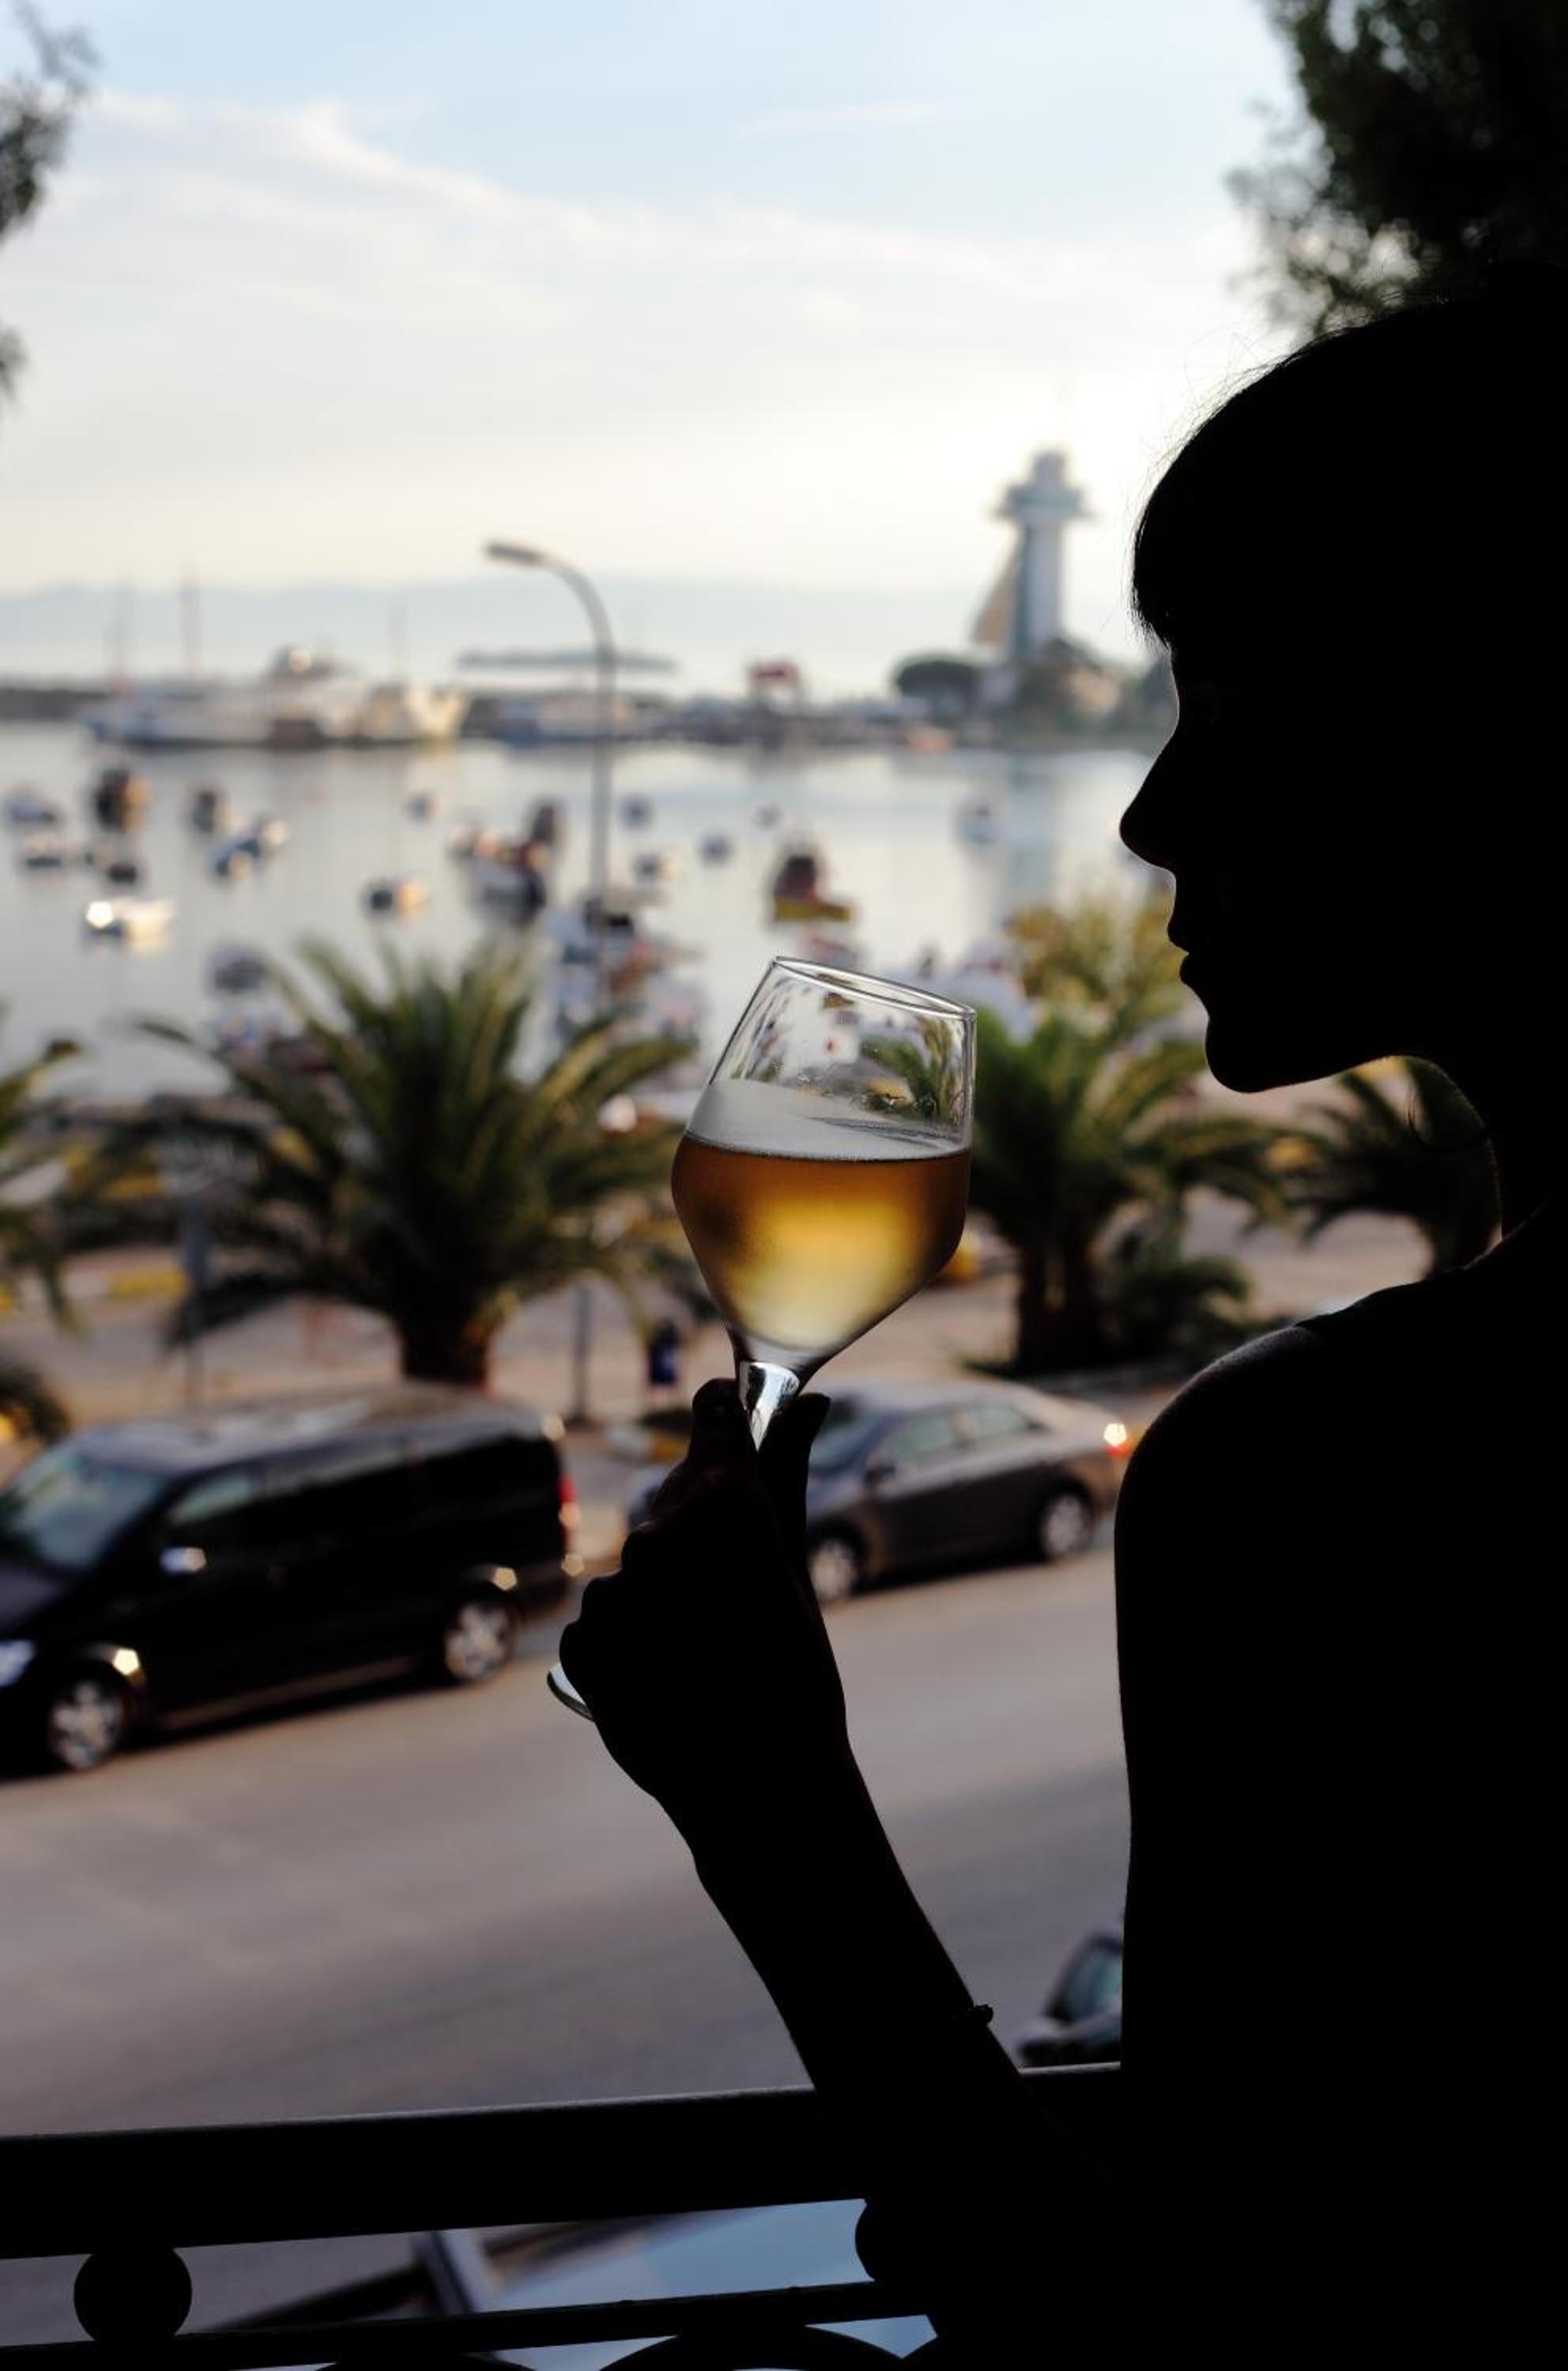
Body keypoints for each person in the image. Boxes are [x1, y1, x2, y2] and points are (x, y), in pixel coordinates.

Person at [561, 277, 1562, 2356]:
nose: (1145, 812)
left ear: (1482, 738)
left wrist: (772, 1814)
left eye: (1236, 711)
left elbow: (1160, 2349)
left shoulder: (1317, 1478)